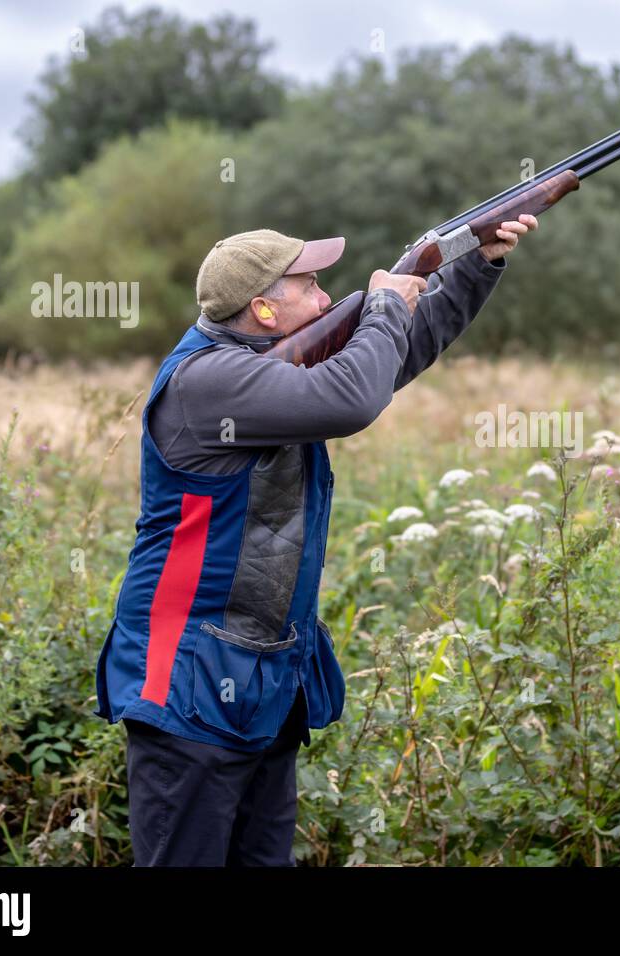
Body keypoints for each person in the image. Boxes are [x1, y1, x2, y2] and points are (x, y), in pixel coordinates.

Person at [93, 215, 538, 865]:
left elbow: (389, 360)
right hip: (187, 684)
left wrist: (477, 263)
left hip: (260, 684)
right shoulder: (206, 383)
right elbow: (353, 399)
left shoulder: (259, 370)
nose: (329, 298)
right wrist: (386, 300)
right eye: (311, 285)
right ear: (265, 309)